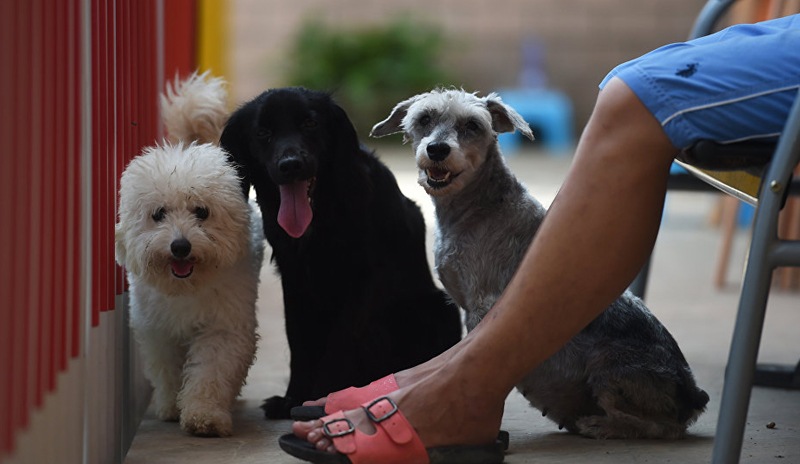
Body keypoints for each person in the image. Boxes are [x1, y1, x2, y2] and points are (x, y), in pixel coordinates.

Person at [285, 13, 800, 462]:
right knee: (632, 83)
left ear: (498, 132)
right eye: (424, 126)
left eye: (468, 130)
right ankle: (437, 379)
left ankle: (466, 395)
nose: (441, 144)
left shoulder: (506, 219)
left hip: (638, 380)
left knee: (633, 92)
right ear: (404, 127)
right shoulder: (455, 224)